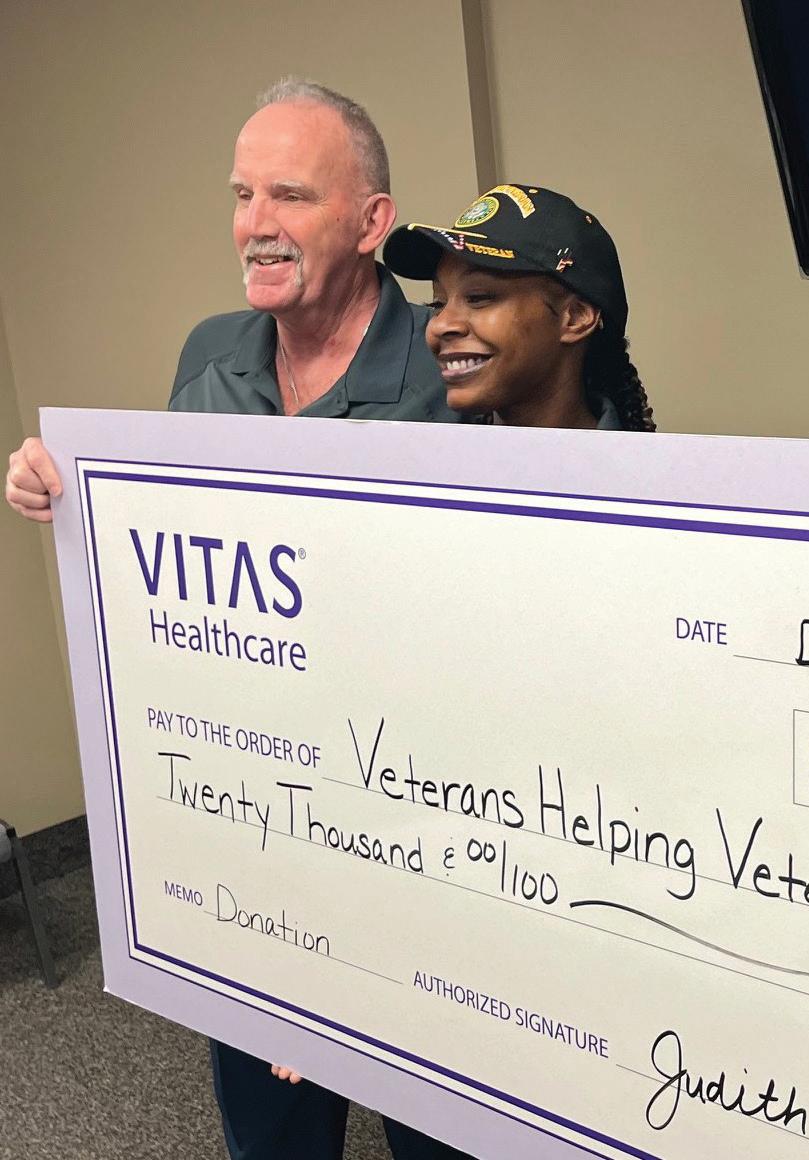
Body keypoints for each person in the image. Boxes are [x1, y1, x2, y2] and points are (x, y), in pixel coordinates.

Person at [4, 79, 470, 1160]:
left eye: (291, 195)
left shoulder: (452, 362)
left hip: (414, 836)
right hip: (254, 830)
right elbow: (179, 560)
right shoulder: (210, 351)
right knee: (271, 1134)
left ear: (371, 221)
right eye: (241, 194)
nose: (256, 222)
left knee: (439, 1132)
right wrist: (65, 491)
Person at [381, 183, 655, 431]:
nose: (439, 325)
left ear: (576, 317)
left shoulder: (642, 471)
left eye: (478, 297)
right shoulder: (426, 461)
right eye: (438, 304)